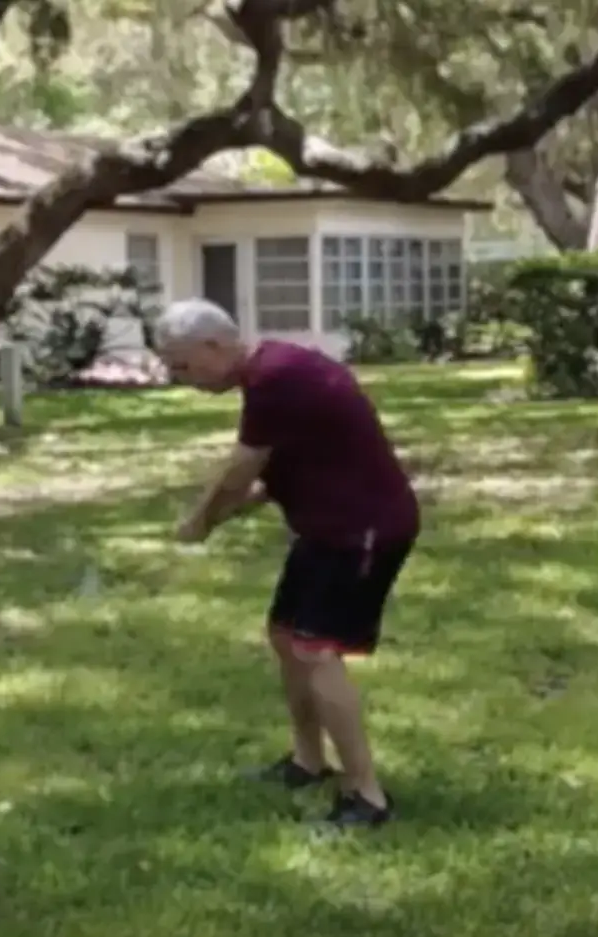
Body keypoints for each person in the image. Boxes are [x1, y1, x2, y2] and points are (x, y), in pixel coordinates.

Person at [154, 298, 420, 829]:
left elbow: (239, 470)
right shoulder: (274, 371)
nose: (179, 379)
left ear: (214, 346)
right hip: (327, 528)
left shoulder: (276, 378)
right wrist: (222, 514)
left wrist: (201, 521)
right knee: (284, 634)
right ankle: (308, 761)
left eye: (183, 365)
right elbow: (271, 475)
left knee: (317, 650)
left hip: (362, 529)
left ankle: (367, 797)